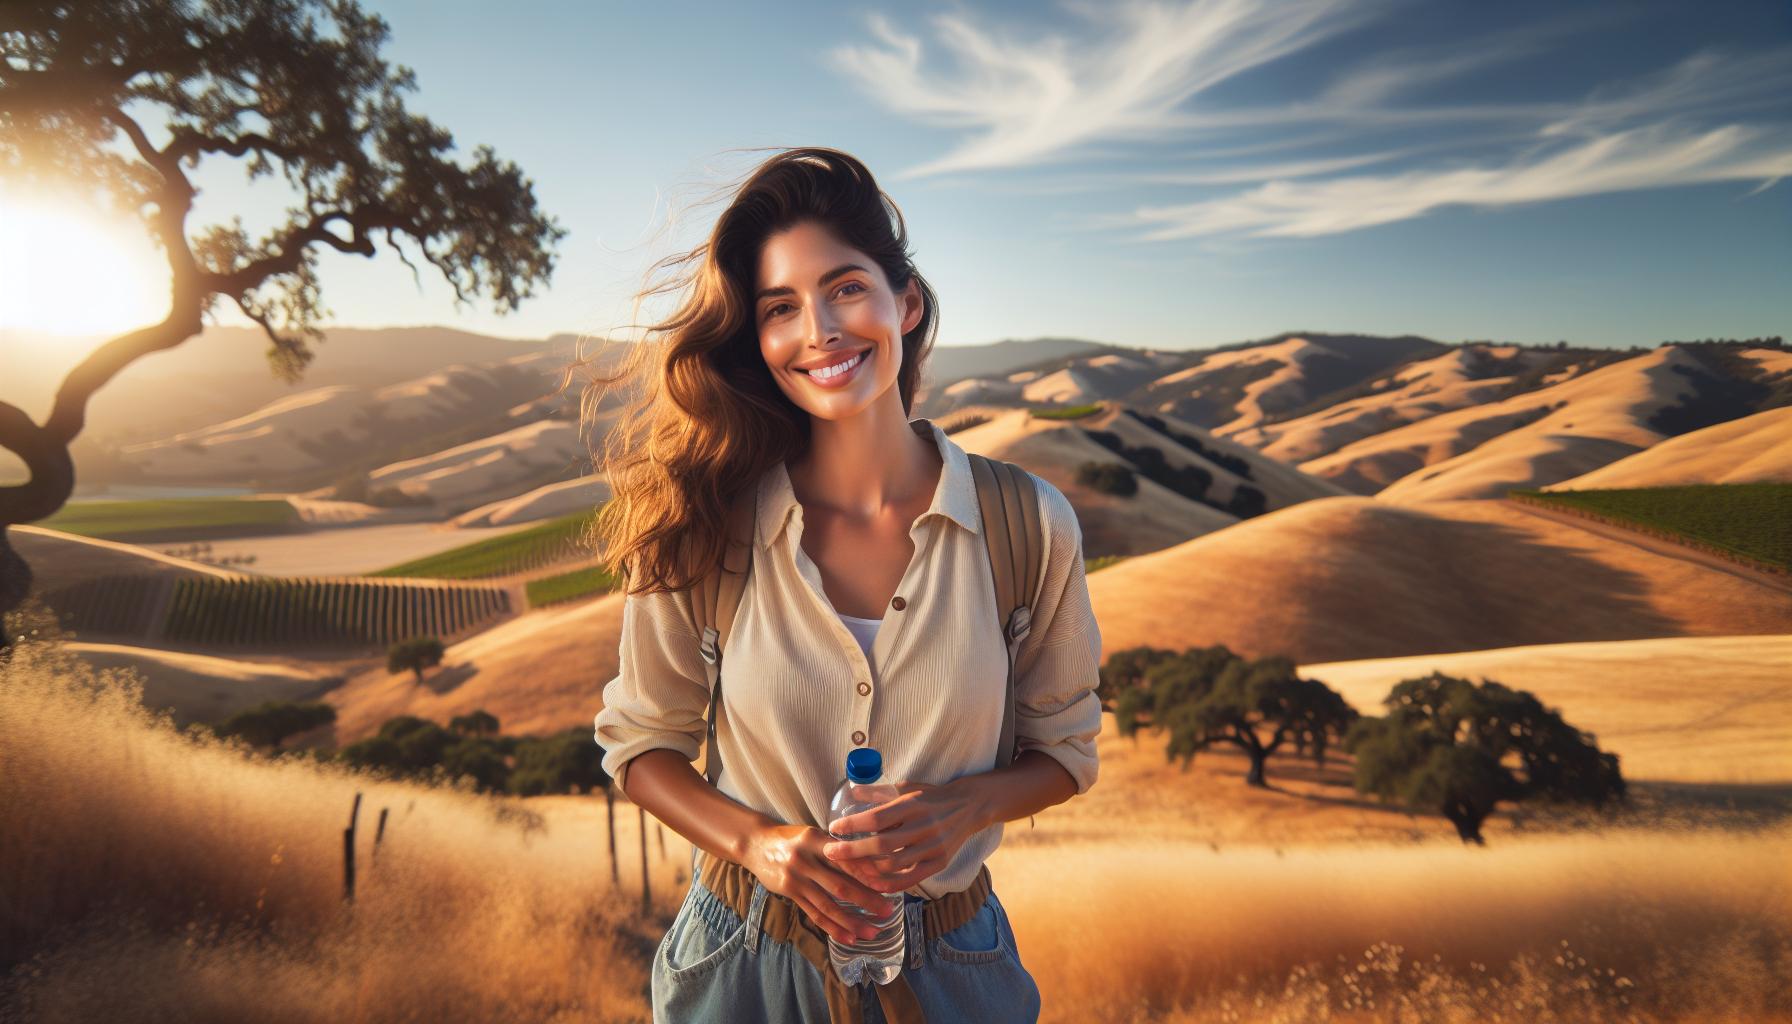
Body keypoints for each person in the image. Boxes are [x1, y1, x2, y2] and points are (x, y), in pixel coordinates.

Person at [588, 146, 1102, 1024]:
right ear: (757, 338)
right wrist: (760, 845)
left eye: (846, 288)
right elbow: (641, 749)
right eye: (780, 308)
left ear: (905, 300)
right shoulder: (706, 522)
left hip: (955, 968)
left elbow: (1067, 751)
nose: (819, 329)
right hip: (742, 963)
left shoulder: (1029, 525)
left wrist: (965, 808)